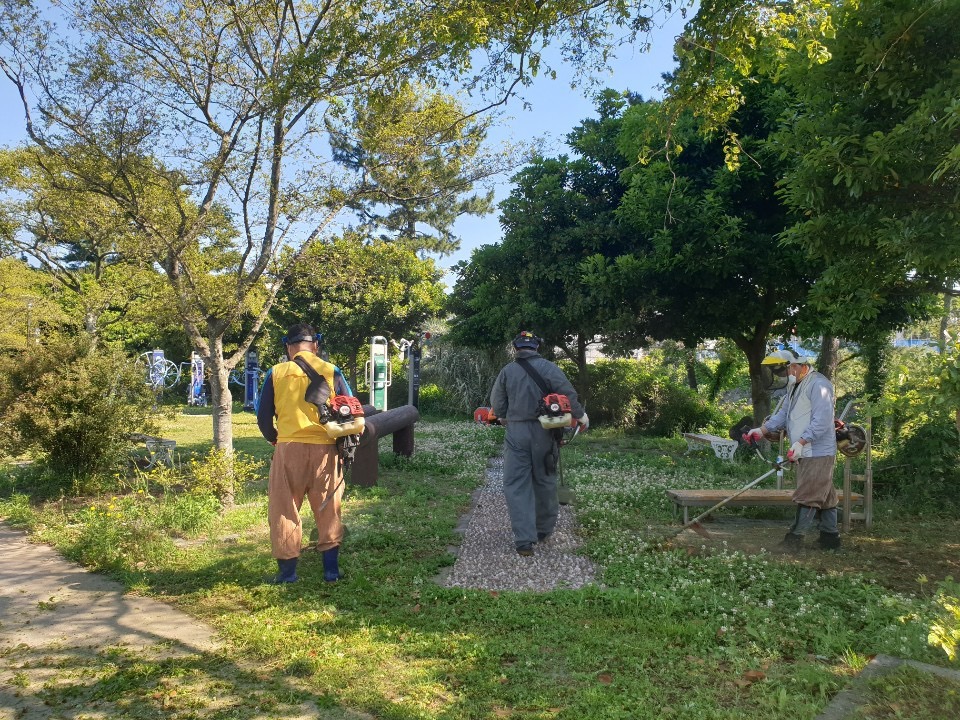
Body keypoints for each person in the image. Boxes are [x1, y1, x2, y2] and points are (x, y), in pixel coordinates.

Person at [256, 323, 345, 583]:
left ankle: (287, 574)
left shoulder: (276, 373)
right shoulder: (332, 371)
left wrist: (276, 439)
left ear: (288, 347)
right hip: (326, 449)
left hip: (289, 449)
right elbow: (350, 407)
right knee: (329, 507)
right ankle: (330, 571)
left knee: (284, 509)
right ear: (315, 345)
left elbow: (263, 418)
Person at [490, 331, 589, 556]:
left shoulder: (507, 371)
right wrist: (581, 415)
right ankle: (543, 530)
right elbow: (568, 394)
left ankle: (524, 540)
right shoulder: (550, 368)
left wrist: (507, 415)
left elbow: (497, 403)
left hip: (517, 431)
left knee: (516, 483)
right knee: (545, 478)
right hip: (547, 429)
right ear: (537, 347)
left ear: (516, 348)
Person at [745, 349, 840, 550]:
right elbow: (783, 414)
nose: (780, 376)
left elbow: (822, 421)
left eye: (781, 372)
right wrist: (762, 430)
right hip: (806, 450)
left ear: (795, 366)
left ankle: (794, 540)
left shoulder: (819, 385)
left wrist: (802, 441)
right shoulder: (796, 386)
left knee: (808, 494)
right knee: (826, 496)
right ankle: (830, 539)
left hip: (818, 451)